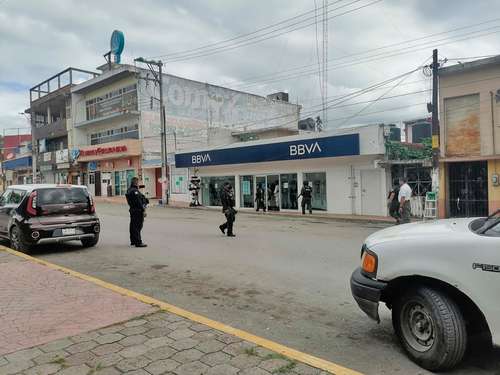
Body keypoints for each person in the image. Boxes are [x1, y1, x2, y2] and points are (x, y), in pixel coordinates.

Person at [125, 177, 148, 247]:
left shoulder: (129, 190)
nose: (139, 184)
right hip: (138, 211)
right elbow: (139, 202)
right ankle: (138, 242)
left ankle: (133, 241)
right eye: (138, 182)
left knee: (133, 226)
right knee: (137, 227)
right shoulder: (135, 191)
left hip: (133, 210)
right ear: (136, 183)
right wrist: (143, 210)